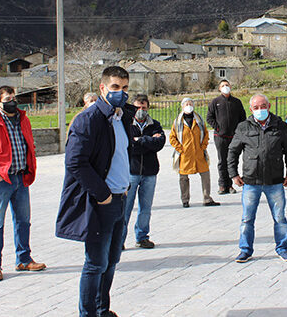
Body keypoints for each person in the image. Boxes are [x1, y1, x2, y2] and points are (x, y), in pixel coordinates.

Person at [55, 66, 133, 317]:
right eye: (115, 87)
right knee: (95, 263)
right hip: (102, 201)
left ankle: (102, 309)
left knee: (111, 262)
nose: (120, 93)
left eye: (124, 88)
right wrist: (103, 195)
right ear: (102, 88)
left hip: (121, 197)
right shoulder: (88, 120)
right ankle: (87, 313)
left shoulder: (122, 118)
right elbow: (75, 162)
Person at [0, 85, 46, 282]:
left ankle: (24, 259)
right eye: (7, 99)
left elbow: (29, 145)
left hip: (21, 178)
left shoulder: (23, 120)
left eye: (14, 98)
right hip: (1, 181)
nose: (12, 102)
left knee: (23, 221)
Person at [228, 94, 287, 263]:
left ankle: (283, 248)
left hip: (275, 181)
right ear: (251, 109)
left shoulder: (280, 126)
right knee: (247, 218)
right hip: (251, 182)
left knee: (280, 217)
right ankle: (245, 250)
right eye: (256, 108)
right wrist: (233, 174)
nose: (260, 110)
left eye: (263, 106)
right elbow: (233, 152)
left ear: (269, 106)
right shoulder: (243, 127)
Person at [124, 94, 166, 249]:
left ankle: (142, 237)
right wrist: (148, 141)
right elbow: (129, 146)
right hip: (131, 172)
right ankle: (119, 239)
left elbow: (159, 143)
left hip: (149, 172)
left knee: (145, 208)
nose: (141, 110)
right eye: (138, 108)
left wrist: (140, 140)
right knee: (125, 208)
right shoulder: (127, 124)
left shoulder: (155, 125)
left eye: (144, 107)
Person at [170, 98, 220, 207]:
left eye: (190, 103)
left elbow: (206, 134)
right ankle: (185, 200)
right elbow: (172, 137)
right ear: (182, 106)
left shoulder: (199, 120)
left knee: (205, 174)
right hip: (185, 155)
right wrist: (180, 148)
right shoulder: (177, 121)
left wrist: (204, 146)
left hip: (199, 153)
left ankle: (207, 198)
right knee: (183, 178)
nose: (189, 105)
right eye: (186, 104)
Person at [207, 79, 247, 195]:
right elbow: (209, 118)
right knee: (222, 161)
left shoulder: (237, 102)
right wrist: (218, 128)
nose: (225, 87)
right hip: (220, 137)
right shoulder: (215, 102)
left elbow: (242, 118)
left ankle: (230, 185)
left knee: (233, 160)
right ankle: (222, 185)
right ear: (219, 88)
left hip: (234, 137)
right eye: (223, 85)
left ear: (230, 86)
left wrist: (238, 131)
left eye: (227, 85)